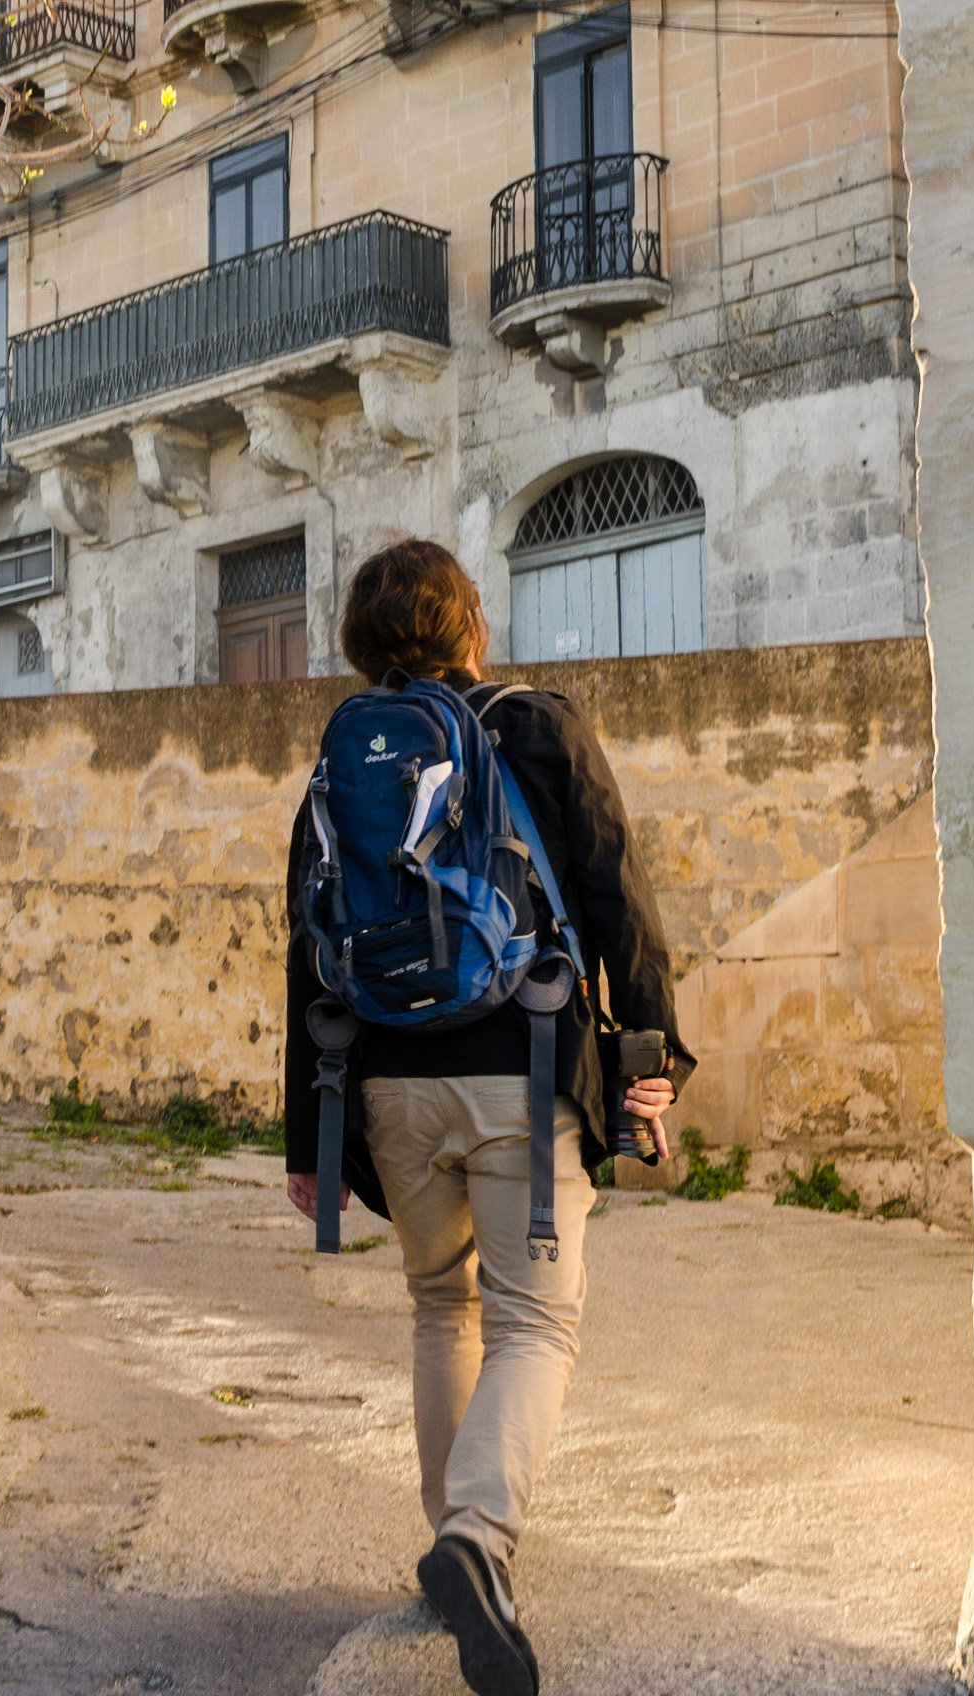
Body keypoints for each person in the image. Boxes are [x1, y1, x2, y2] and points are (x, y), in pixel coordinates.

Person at [283, 538, 694, 1696]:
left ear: (361, 648)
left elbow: (304, 947)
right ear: (471, 626)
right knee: (534, 1322)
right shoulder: (538, 724)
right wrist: (652, 1054)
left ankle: (449, 1559)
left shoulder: (343, 761)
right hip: (521, 1065)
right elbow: (616, 896)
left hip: (384, 1081)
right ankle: (475, 1537)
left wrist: (308, 1137)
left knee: (438, 1304)